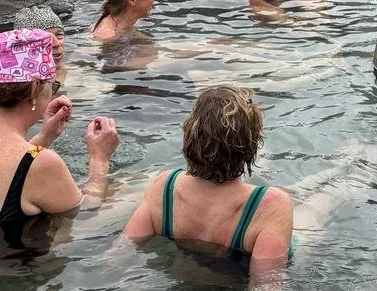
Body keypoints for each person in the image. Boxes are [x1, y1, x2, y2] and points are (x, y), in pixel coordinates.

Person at [0, 29, 119, 247]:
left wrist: (46, 136)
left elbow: (6, 172)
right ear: (33, 89)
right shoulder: (42, 162)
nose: (53, 93)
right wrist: (99, 157)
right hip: (23, 267)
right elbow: (86, 210)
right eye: (52, 85)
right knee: (133, 189)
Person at [123, 84, 293, 276]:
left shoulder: (164, 187)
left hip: (183, 281)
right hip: (231, 289)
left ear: (189, 135)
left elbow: (122, 251)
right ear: (252, 146)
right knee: (318, 203)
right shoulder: (272, 206)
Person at [13, 3, 67, 82]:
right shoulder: (12, 87)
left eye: (59, 35)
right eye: (45, 37)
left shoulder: (78, 74)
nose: (56, 43)